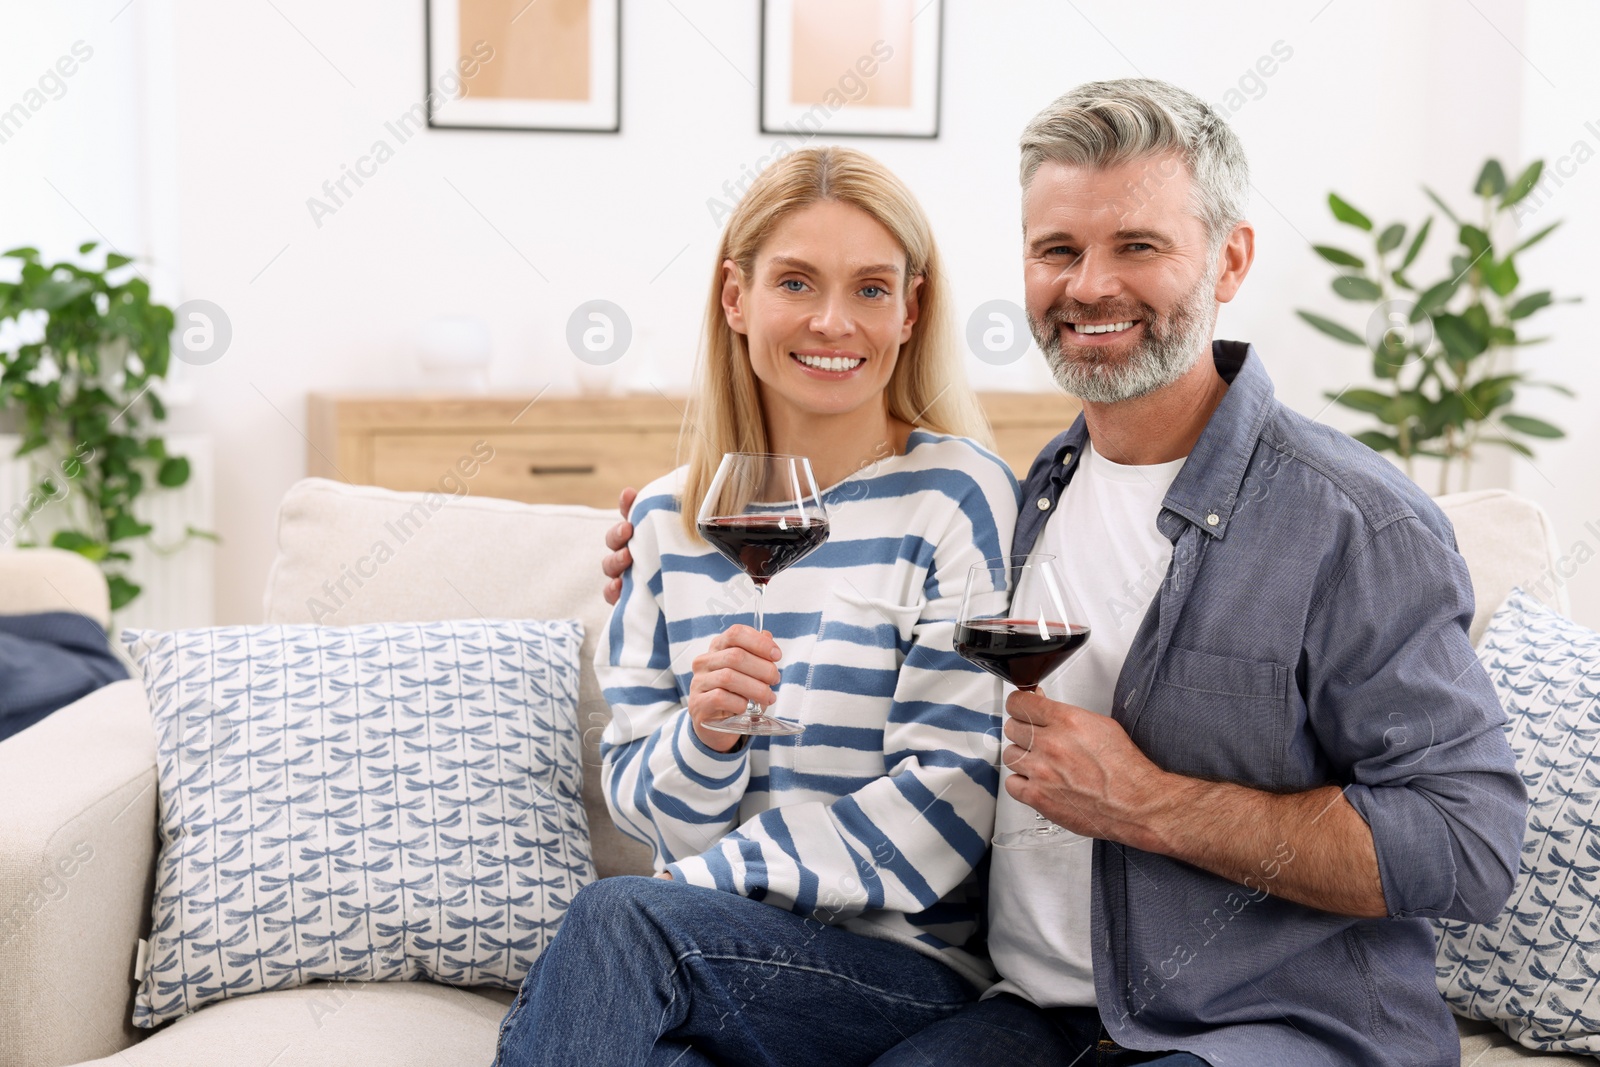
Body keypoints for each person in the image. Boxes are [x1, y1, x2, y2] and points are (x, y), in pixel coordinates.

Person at [600, 80, 1527, 1067]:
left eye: (1137, 246)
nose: (1090, 286)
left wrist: (1152, 803)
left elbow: (1467, 844)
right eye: (1057, 250)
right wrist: (657, 533)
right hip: (1030, 1015)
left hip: (1257, 1027)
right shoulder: (1026, 494)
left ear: (1231, 258)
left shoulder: (1353, 522)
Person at [491, 145, 1022, 1067]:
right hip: (697, 958)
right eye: (796, 282)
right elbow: (639, 801)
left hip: (894, 971)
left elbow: (948, 805)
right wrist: (706, 740)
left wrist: (699, 887)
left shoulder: (957, 495)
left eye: (868, 288)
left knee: (620, 922)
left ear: (911, 309)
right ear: (736, 299)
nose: (831, 320)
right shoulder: (664, 520)